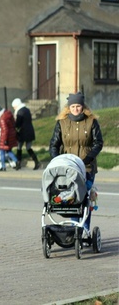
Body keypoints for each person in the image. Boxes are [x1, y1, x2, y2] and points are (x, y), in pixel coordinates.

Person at [49, 92, 103, 237]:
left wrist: (88, 159)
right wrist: (57, 162)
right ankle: (74, 228)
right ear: (69, 107)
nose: (75, 109)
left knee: (84, 197)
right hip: (68, 168)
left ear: (82, 106)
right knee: (72, 198)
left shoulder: (91, 122)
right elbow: (54, 144)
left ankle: (84, 229)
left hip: (87, 167)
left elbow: (98, 143)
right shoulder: (62, 123)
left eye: (78, 106)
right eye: (73, 106)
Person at [11, 98, 40, 170]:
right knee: (28, 147)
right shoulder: (27, 110)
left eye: (14, 106)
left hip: (23, 132)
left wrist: (13, 125)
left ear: (16, 105)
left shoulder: (19, 112)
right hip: (29, 131)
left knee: (19, 148)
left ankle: (18, 164)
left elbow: (18, 124)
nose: (14, 108)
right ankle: (36, 162)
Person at [0, 104, 19, 171]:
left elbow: (5, 130)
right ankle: (17, 161)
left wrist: (4, 140)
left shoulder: (2, 118)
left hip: (5, 137)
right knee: (8, 151)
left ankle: (3, 167)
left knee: (2, 151)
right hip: (11, 135)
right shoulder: (8, 115)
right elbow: (13, 124)